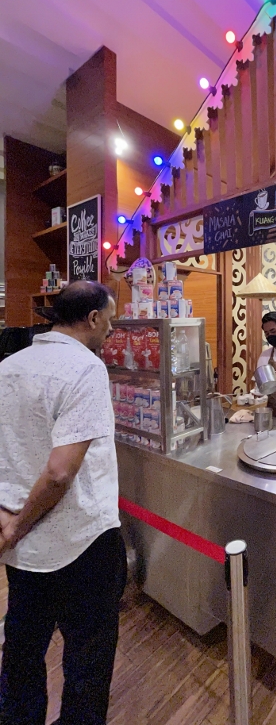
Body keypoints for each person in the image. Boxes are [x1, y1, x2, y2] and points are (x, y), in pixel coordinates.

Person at [0, 280, 125, 725]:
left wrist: (9, 523)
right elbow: (59, 473)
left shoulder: (9, 365)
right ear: (92, 319)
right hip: (81, 544)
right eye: (109, 323)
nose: (110, 332)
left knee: (21, 656)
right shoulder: (85, 368)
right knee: (87, 667)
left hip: (23, 552)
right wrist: (17, 525)